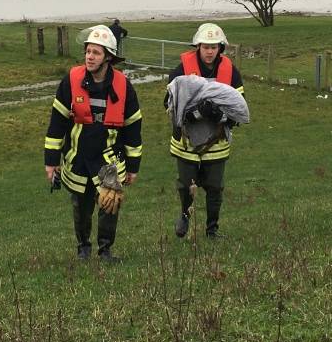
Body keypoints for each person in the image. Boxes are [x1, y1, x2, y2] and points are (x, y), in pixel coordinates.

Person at [44, 25, 143, 261]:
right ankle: (83, 248)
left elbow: (133, 128)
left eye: (96, 53)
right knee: (81, 206)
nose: (89, 56)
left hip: (109, 159)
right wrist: (51, 162)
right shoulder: (70, 81)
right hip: (77, 157)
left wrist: (133, 167)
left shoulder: (124, 86)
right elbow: (57, 124)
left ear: (108, 57)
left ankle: (106, 250)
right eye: (88, 51)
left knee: (110, 205)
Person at [167, 23, 245, 239]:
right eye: (205, 46)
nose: (210, 51)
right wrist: (194, 112)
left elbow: (239, 106)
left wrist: (219, 114)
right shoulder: (181, 70)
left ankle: (212, 230)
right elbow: (169, 103)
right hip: (187, 141)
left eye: (214, 47)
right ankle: (184, 216)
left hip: (217, 141)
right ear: (198, 46)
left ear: (220, 48)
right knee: (185, 185)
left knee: (215, 187)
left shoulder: (231, 72)